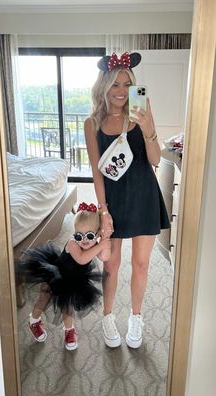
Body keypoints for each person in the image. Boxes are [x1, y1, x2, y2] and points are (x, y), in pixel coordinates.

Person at [84, 52, 170, 349]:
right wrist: (103, 211)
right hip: (115, 202)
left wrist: (147, 129)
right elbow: (97, 173)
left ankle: (136, 316)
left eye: (126, 83)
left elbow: (156, 159)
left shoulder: (142, 110)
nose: (121, 90)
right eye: (114, 84)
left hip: (144, 195)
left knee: (142, 264)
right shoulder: (91, 122)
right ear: (103, 86)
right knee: (111, 265)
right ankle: (108, 317)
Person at [17, 202, 111, 351]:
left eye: (90, 235)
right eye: (79, 235)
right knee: (43, 299)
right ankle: (33, 320)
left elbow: (105, 257)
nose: (84, 240)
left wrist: (106, 240)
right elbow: (81, 259)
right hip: (56, 276)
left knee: (67, 306)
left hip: (74, 280)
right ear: (74, 233)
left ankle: (69, 331)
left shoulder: (95, 242)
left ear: (97, 233)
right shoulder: (73, 244)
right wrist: (100, 244)